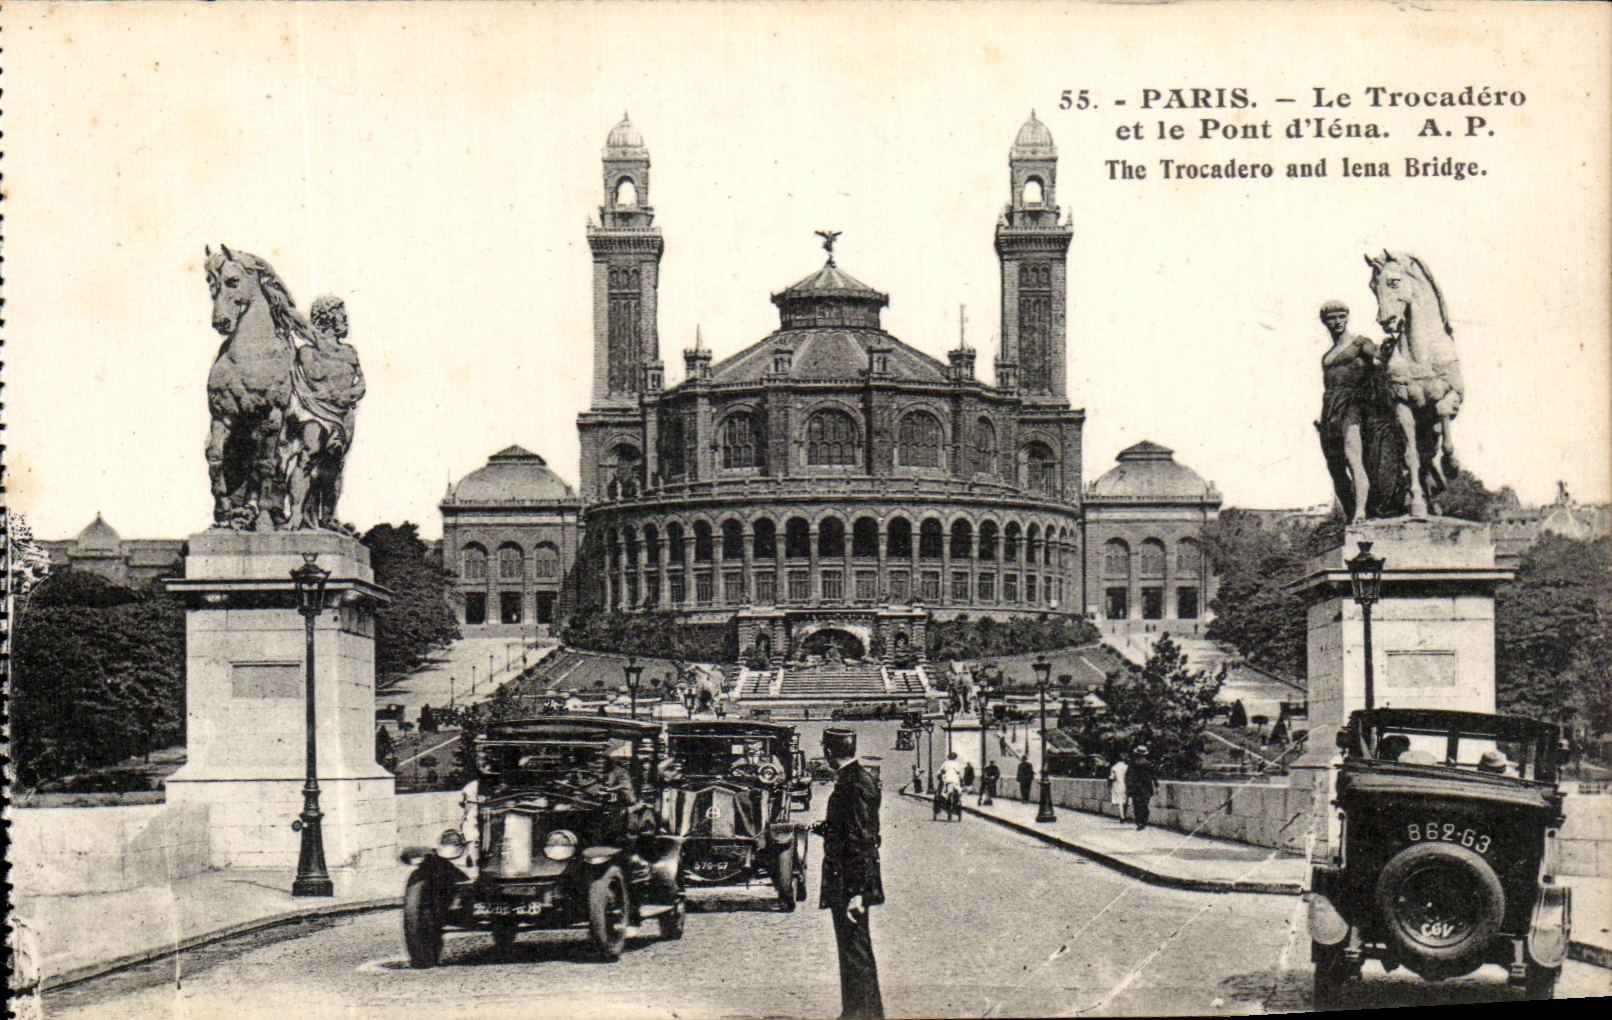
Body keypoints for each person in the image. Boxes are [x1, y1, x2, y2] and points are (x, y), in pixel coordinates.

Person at [813, 727, 885, 1020]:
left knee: (855, 951)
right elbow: (851, 830)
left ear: (829, 753)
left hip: (849, 883)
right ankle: (856, 1011)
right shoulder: (857, 779)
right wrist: (822, 828)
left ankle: (863, 1014)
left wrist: (858, 892)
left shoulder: (851, 784)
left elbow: (861, 839)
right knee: (852, 950)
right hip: (848, 880)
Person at [1315, 300, 1383, 524]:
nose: (1336, 322)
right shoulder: (1328, 353)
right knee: (1334, 465)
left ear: (1347, 318)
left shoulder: (1360, 343)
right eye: (1331, 318)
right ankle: (1351, 511)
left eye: (1341, 317)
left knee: (1353, 456)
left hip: (1353, 404)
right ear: (1325, 322)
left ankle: (1362, 511)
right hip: (1330, 408)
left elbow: (1380, 363)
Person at [1125, 746, 1157, 831]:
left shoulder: (1132, 764)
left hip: (1136, 787)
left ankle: (1139, 822)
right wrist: (1157, 786)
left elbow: (1128, 777)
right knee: (1145, 805)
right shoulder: (1149, 764)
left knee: (1137, 805)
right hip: (1147, 787)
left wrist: (1129, 788)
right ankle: (1144, 821)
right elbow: (1154, 776)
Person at [1108, 755, 1130, 822]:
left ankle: (1122, 816)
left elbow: (1112, 778)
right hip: (1126, 785)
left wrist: (1109, 786)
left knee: (1120, 801)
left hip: (1117, 785)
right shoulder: (1127, 767)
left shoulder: (1114, 767)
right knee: (1126, 801)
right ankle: (1125, 815)